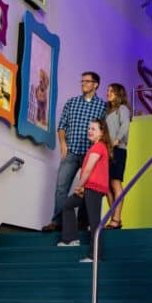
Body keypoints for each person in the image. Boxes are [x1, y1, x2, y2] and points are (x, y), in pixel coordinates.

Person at [42, 71, 107, 232]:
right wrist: (63, 145)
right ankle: (57, 222)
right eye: (82, 81)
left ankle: (82, 224)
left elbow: (105, 130)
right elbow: (62, 126)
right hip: (71, 152)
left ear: (95, 85)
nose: (83, 83)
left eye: (87, 81)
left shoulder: (102, 106)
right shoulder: (71, 103)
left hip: (90, 154)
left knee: (88, 190)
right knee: (61, 188)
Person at [57, 118, 111, 263]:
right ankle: (70, 239)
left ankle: (95, 256)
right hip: (88, 187)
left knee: (94, 222)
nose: (90, 131)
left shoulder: (99, 147)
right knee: (68, 205)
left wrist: (80, 185)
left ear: (101, 133)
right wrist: (83, 186)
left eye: (93, 129)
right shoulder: (94, 147)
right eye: (89, 128)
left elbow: (88, 170)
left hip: (93, 188)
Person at [104, 83, 131, 229]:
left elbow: (125, 125)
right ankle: (114, 218)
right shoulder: (108, 111)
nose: (108, 93)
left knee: (115, 183)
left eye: (111, 91)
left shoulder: (123, 109)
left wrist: (117, 140)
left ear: (119, 94)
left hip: (118, 150)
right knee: (107, 185)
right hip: (107, 151)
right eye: (107, 91)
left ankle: (116, 218)